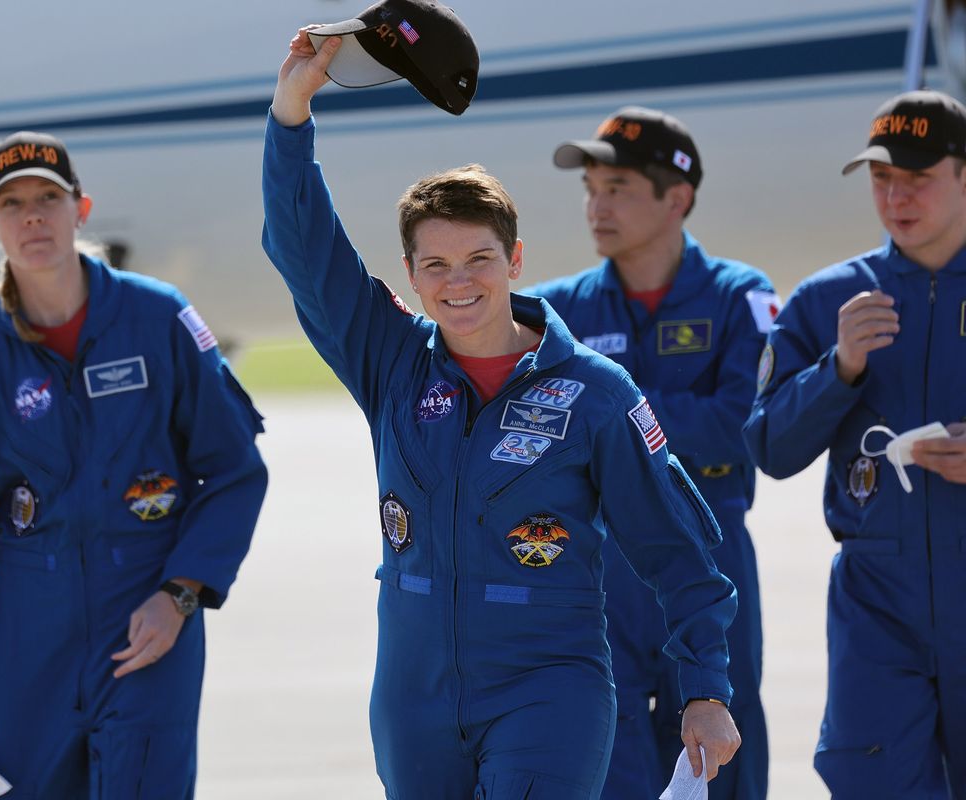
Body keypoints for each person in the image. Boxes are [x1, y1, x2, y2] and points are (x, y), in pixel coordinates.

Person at [262, 27, 741, 799]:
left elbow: (677, 552)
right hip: (413, 698)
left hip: (547, 691)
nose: (460, 283)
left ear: (514, 261)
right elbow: (305, 252)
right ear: (412, 277)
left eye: (480, 259)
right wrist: (291, 115)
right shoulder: (391, 364)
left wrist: (706, 687)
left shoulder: (596, 392)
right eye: (437, 265)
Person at [0, 130, 268, 799]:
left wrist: (181, 592)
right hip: (27, 634)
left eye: (49, 197)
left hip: (145, 626)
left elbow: (234, 470)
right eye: (12, 204)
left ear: (82, 207)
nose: (33, 217)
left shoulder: (158, 318)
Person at [527, 107, 775, 799]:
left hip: (709, 557)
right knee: (608, 756)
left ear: (679, 199)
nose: (596, 206)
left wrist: (605, 414)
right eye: (591, 189)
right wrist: (656, 417)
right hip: (599, 568)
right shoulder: (554, 312)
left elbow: (740, 423)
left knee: (721, 749)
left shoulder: (741, 296)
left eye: (619, 188)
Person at [743, 89, 966, 798]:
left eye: (918, 177)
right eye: (880, 178)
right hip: (878, 609)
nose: (896, 197)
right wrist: (837, 370)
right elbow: (770, 448)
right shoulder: (828, 301)